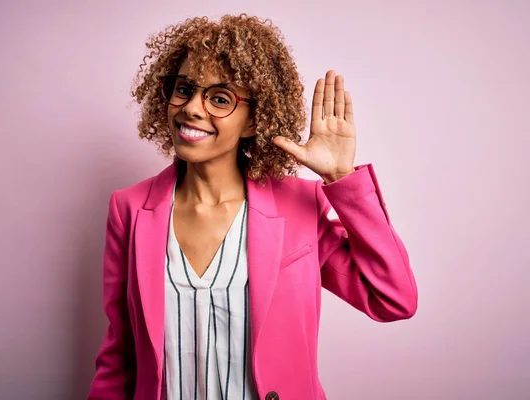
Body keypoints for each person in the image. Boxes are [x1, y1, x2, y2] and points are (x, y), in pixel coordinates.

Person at [87, 13, 418, 400]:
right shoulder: (128, 209)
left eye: (220, 98)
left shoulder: (299, 207)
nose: (192, 108)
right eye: (184, 89)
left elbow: (393, 299)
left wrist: (340, 179)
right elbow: (120, 356)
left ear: (252, 121)